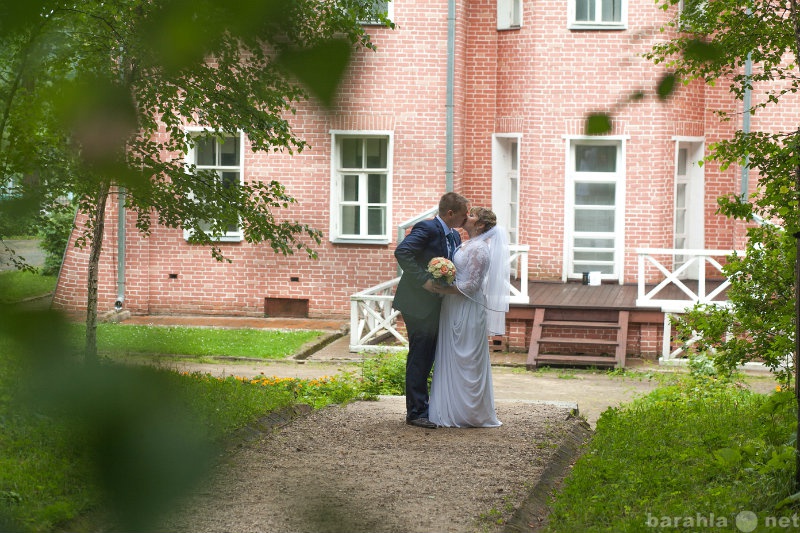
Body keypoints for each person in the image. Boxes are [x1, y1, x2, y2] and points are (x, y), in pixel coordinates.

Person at [428, 207, 510, 428]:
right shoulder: (464, 244)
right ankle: (448, 407)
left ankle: (469, 413)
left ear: (481, 225)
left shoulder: (480, 250)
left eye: (472, 215)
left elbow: (472, 285)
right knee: (451, 355)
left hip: (467, 307)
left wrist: (440, 288)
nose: (467, 217)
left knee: (466, 359)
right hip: (452, 306)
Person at [393, 192, 469, 429]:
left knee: (432, 355)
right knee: (420, 356)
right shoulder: (426, 228)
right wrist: (424, 280)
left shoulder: (455, 236)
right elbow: (402, 252)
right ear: (450, 213)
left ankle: (428, 407)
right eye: (464, 214)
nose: (466, 219)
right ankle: (415, 412)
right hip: (417, 303)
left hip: (438, 305)